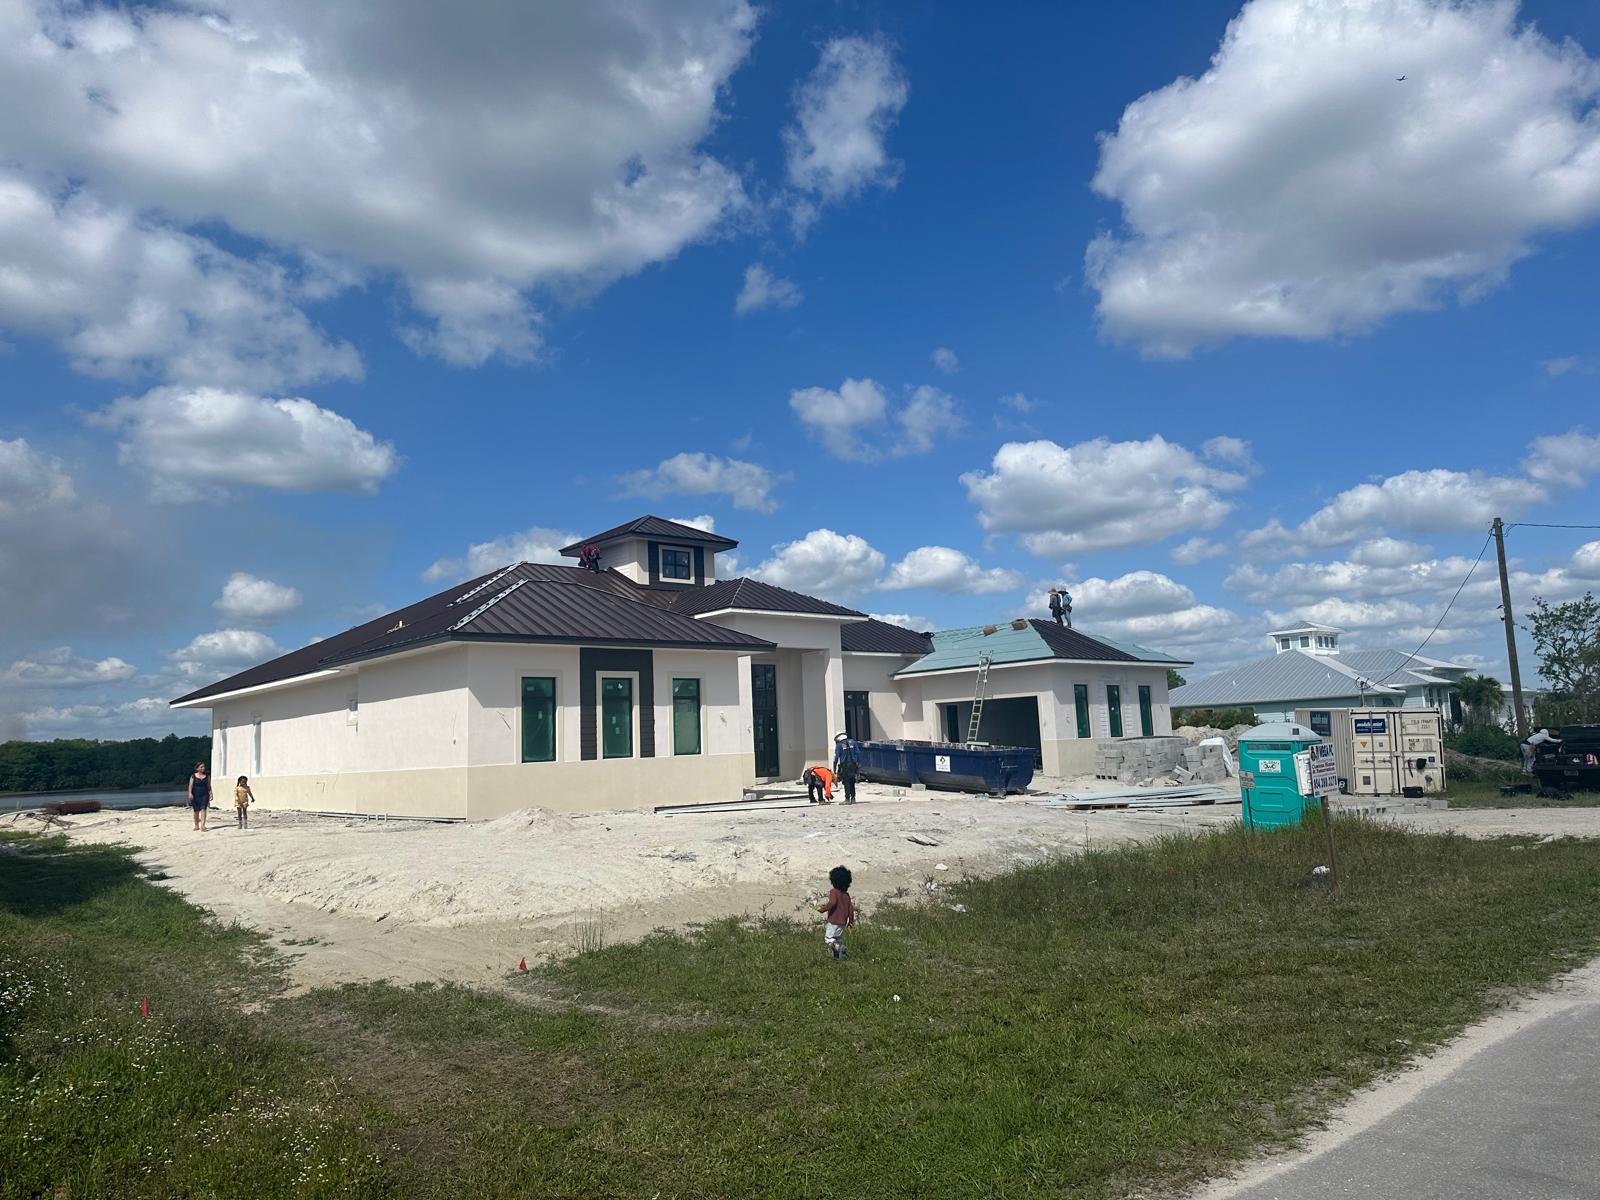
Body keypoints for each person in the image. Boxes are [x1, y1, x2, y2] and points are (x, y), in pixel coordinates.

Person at [817, 865, 856, 960]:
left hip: (833, 921)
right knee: (838, 939)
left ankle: (839, 949)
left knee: (829, 940)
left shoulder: (834, 892)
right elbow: (851, 909)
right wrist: (850, 922)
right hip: (842, 923)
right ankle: (839, 957)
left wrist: (822, 909)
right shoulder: (846, 895)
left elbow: (832, 903)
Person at [834, 735, 860, 805]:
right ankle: (853, 798)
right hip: (853, 765)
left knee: (846, 782)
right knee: (852, 781)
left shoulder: (839, 745)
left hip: (844, 766)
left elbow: (836, 757)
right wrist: (858, 763)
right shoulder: (853, 742)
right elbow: (858, 753)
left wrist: (834, 768)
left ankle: (847, 799)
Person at [188, 761, 211, 832]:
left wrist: (211, 793)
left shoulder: (207, 776)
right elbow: (190, 786)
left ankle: (203, 826)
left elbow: (209, 786)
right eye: (201, 767)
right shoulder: (193, 776)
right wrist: (190, 793)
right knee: (196, 811)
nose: (203, 768)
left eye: (203, 767)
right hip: (195, 795)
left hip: (204, 794)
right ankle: (196, 825)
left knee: (204, 809)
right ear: (197, 768)